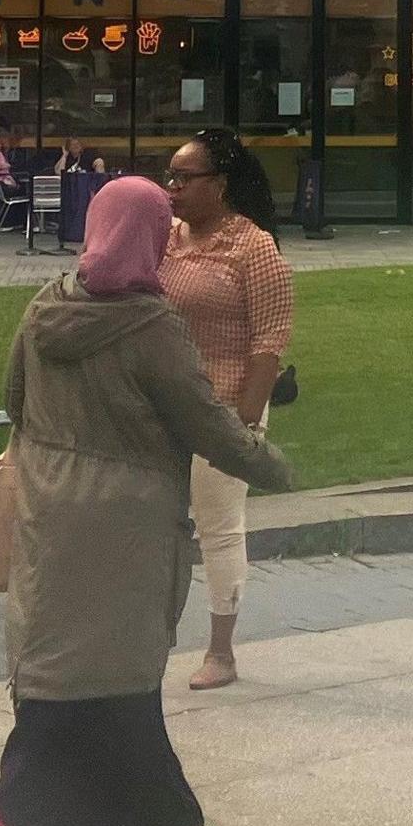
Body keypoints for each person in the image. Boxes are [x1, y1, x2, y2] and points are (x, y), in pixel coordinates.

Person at [0, 175, 294, 826]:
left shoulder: (46, 304)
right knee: (82, 691)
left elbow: (15, 400)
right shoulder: (149, 324)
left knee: (103, 678)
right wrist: (270, 463)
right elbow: (203, 419)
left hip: (49, 512)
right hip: (128, 526)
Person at [160, 127, 293, 692]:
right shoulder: (165, 237)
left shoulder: (253, 248)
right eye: (169, 175)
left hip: (223, 411)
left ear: (220, 184)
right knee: (155, 525)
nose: (172, 187)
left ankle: (221, 650)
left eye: (184, 177)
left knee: (217, 527)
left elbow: (269, 342)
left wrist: (241, 424)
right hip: (162, 406)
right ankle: (148, 637)